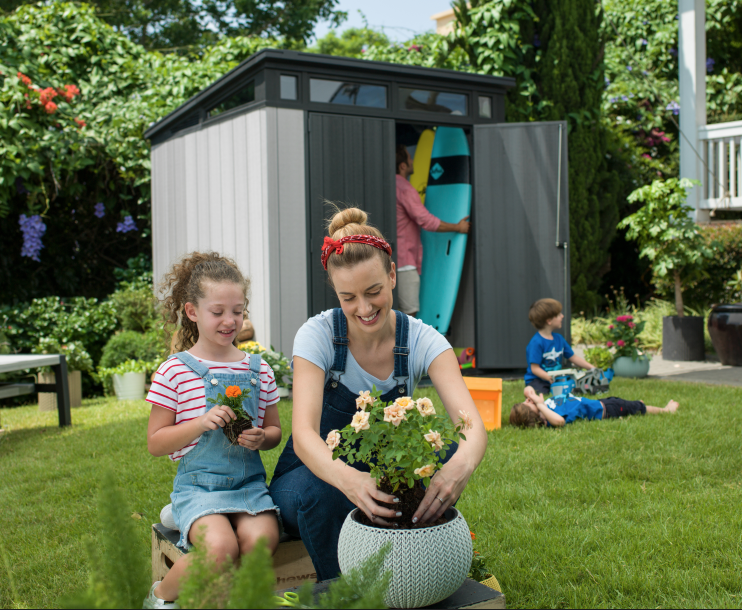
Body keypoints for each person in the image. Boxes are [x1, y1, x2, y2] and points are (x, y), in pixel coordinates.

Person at [269, 206, 487, 581]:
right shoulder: (317, 335)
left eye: (373, 292)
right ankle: (346, 594)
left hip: (381, 476)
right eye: (348, 297)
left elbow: (471, 427)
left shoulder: (422, 340)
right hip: (311, 478)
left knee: (446, 453)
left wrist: (458, 468)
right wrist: (350, 480)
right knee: (319, 495)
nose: (364, 308)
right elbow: (304, 436)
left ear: (391, 276)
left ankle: (411, 569)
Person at [143, 252, 282, 609]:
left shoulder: (258, 369)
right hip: (200, 486)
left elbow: (274, 432)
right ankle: (160, 597)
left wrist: (261, 438)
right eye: (217, 312)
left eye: (237, 311)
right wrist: (199, 423)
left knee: (263, 539)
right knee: (220, 550)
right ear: (192, 311)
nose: (229, 320)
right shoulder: (175, 371)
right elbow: (156, 443)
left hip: (247, 485)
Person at [395, 144, 470, 316]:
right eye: (409, 158)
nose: (413, 160)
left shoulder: (389, 186)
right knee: (409, 314)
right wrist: (457, 227)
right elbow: (426, 220)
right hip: (404, 263)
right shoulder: (404, 189)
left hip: (391, 259)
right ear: (403, 165)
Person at [510, 385, 680, 428]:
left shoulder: (542, 408)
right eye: (528, 404)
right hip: (606, 409)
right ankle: (666, 410)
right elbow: (560, 422)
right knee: (637, 408)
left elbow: (528, 389)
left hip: (601, 402)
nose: (528, 400)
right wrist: (540, 405)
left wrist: (533, 399)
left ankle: (635, 406)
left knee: (631, 405)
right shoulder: (548, 415)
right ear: (534, 416)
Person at [525, 298, 595, 396]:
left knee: (573, 389)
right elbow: (535, 369)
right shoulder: (536, 343)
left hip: (555, 378)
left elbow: (573, 357)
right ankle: (529, 389)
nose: (562, 316)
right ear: (549, 321)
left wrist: (592, 368)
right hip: (538, 379)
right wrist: (549, 378)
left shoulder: (559, 339)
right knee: (541, 392)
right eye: (558, 315)